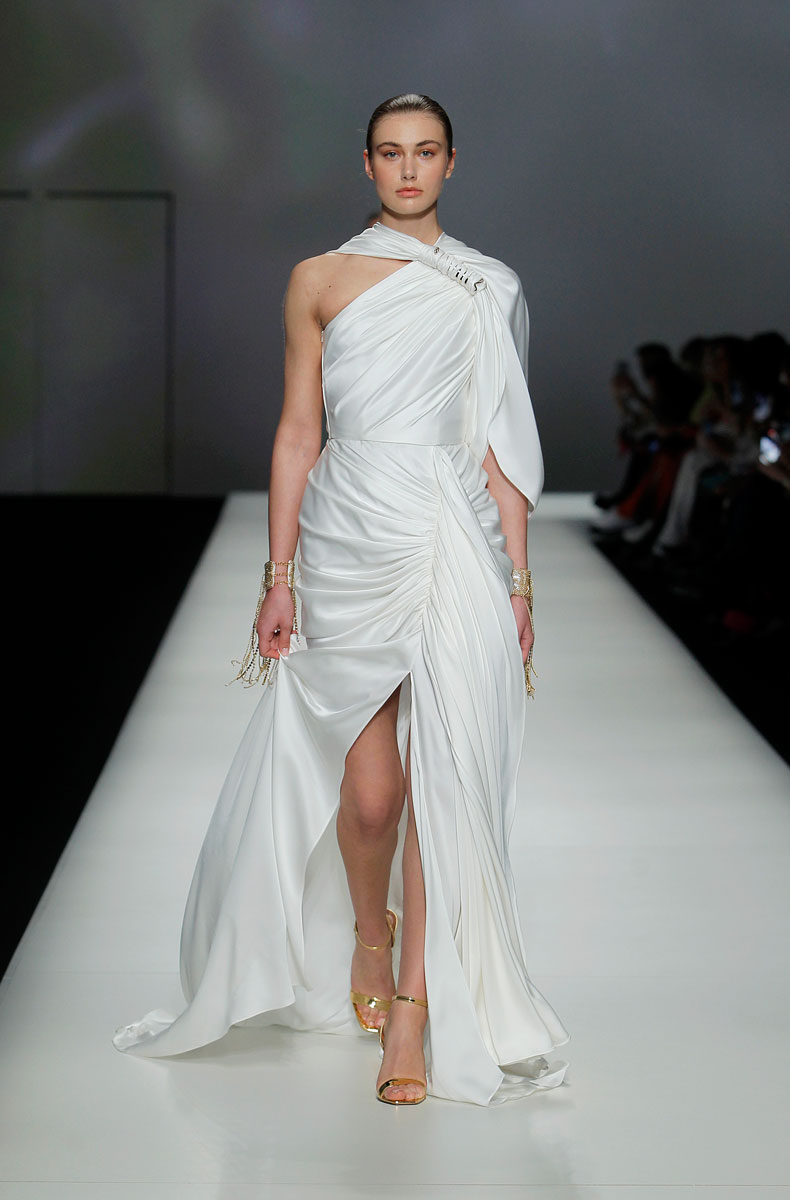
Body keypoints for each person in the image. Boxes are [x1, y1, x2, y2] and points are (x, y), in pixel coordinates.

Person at [113, 93, 569, 1107]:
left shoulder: (487, 286)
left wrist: (518, 580)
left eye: (426, 152)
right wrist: (278, 577)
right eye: (391, 153)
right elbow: (296, 432)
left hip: (452, 536)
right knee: (370, 799)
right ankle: (371, 933)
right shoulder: (317, 280)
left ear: (451, 162)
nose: (408, 169)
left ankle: (412, 1010)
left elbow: (500, 442)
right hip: (348, 535)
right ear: (366, 164)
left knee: (448, 781)